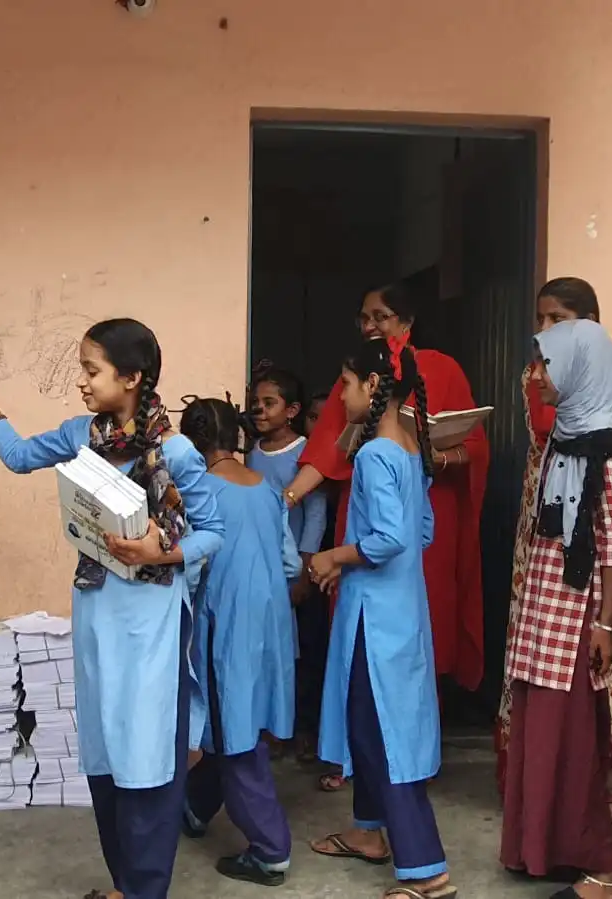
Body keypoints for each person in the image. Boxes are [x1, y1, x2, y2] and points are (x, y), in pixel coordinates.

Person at [0, 320, 224, 899]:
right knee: (105, 748)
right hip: (97, 613)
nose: (81, 381)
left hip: (152, 620)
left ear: (131, 378)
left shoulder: (176, 452)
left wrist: (162, 551)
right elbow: (17, 455)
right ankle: (125, 883)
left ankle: (147, 888)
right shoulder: (82, 437)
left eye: (91, 369)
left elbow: (214, 532)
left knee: (147, 750)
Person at [284, 282, 488, 791]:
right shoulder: (360, 385)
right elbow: (327, 449)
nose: (371, 324)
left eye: (382, 315)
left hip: (407, 526)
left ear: (408, 321)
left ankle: (395, 763)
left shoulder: (435, 373)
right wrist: (283, 500)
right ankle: (387, 767)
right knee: (384, 647)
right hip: (382, 523)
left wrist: (434, 458)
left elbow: (476, 448)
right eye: (364, 316)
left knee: (403, 646)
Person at [496, 278, 612, 817]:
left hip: (603, 520)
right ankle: (543, 777)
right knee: (544, 652)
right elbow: (544, 434)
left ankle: (602, 776)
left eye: (560, 318)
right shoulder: (535, 374)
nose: (547, 329)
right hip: (547, 520)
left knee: (601, 648)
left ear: (590, 323)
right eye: (542, 319)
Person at [306, 336, 457, 899]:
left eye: (345, 384)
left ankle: (425, 869)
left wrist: (334, 556)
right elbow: (421, 531)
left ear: (372, 385)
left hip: (377, 620)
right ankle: (369, 832)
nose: (340, 396)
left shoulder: (373, 455)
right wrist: (353, 558)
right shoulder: (410, 448)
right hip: (401, 611)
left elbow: (390, 538)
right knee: (373, 724)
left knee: (382, 733)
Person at [500, 319, 612, 898]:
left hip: (579, 611)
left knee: (572, 737)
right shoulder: (563, 436)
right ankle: (539, 849)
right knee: (537, 727)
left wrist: (606, 622)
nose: (536, 376)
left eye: (546, 364)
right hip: (544, 601)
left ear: (579, 369)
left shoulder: (611, 448)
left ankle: (598, 861)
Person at [179, 396, 300, 887]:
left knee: (235, 735)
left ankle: (270, 850)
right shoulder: (268, 489)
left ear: (191, 445)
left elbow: (189, 568)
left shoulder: (199, 492)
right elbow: (290, 562)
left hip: (225, 625)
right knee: (234, 724)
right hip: (271, 623)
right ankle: (192, 805)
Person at [246, 362, 329, 762]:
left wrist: (305, 568)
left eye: (269, 403)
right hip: (262, 568)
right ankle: (273, 725)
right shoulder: (251, 455)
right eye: (256, 403)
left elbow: (316, 513)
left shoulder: (304, 453)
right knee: (271, 650)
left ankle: (305, 729)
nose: (259, 410)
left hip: (295, 568)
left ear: (292, 410)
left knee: (305, 651)